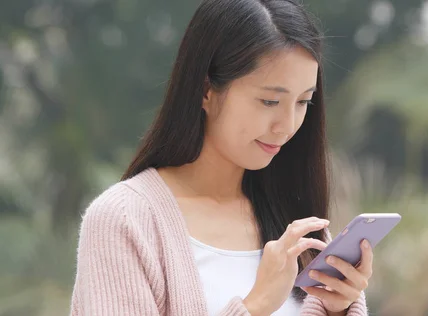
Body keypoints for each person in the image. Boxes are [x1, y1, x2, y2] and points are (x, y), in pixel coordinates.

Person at [70, 0, 372, 315]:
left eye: (303, 102)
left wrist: (338, 309)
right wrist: (255, 306)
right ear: (205, 90)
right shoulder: (124, 221)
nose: (287, 126)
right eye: (270, 101)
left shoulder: (298, 224)